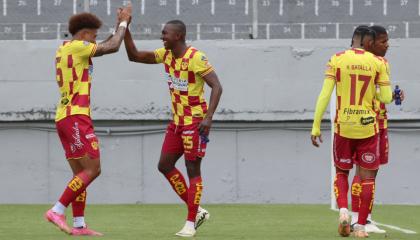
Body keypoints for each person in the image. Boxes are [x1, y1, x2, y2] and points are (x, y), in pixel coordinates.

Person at [124, 20, 223, 237]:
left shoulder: (196, 57)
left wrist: (208, 118)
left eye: (165, 33)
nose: (162, 37)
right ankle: (196, 211)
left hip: (195, 122)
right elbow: (134, 56)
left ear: (178, 36)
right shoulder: (166, 55)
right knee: (164, 165)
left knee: (192, 169)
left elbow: (217, 86)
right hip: (177, 122)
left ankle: (190, 223)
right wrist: (125, 27)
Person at [44, 4, 132, 236]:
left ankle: (80, 224)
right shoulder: (78, 47)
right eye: (93, 36)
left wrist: (119, 26)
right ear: (83, 35)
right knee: (93, 168)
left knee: (80, 174)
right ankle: (57, 210)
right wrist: (123, 23)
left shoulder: (66, 48)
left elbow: (105, 43)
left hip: (65, 117)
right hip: (76, 116)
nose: (95, 40)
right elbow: (112, 47)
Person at [311, 26, 392, 238]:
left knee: (341, 172)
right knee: (367, 178)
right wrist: (374, 92)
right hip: (368, 127)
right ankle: (361, 227)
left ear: (353, 39)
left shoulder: (336, 59)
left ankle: (344, 212)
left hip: (343, 126)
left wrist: (316, 125)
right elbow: (386, 98)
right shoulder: (378, 63)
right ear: (368, 42)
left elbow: (325, 94)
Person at [350, 25, 404, 234]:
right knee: (367, 171)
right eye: (383, 41)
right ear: (371, 43)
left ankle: (361, 217)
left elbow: (379, 93)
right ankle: (360, 219)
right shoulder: (377, 62)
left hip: (368, 121)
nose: (387, 45)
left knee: (367, 170)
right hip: (372, 123)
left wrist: (392, 96)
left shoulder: (362, 62)